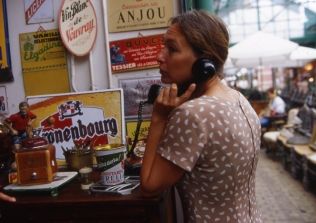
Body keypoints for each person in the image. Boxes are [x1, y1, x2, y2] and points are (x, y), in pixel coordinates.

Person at [140, 10, 262, 223]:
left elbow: (150, 187)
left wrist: (159, 117)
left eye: (172, 48)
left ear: (204, 63)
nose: (160, 56)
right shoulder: (238, 99)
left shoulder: (192, 115)